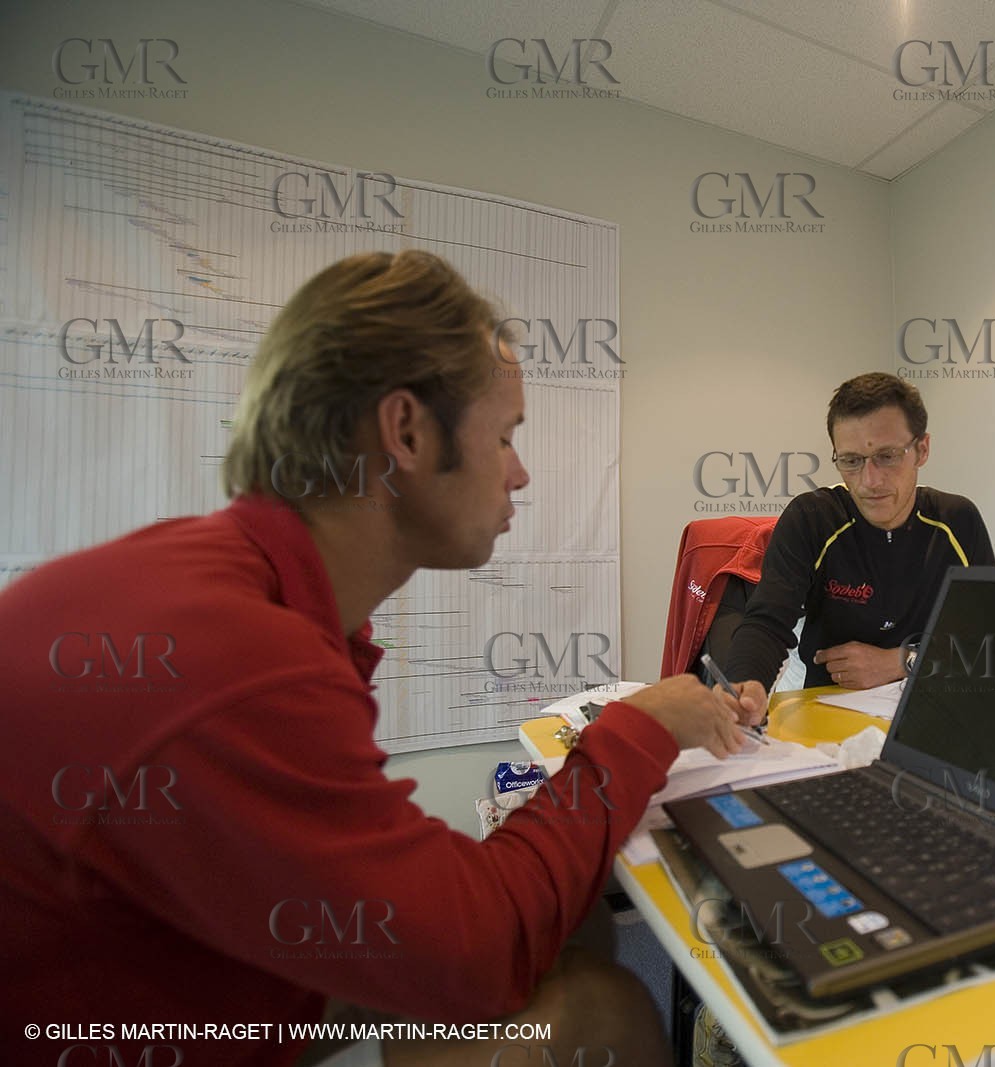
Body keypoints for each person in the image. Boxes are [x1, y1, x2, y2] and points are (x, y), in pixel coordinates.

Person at [0, 250, 766, 1067]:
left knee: (569, 915)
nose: (521, 470)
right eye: (504, 435)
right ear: (405, 430)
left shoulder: (221, 582)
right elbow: (480, 950)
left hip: (157, 983)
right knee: (594, 1011)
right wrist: (635, 729)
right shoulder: (240, 658)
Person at [722, 372, 995, 693]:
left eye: (887, 456)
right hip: (828, 703)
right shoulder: (812, 518)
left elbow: (990, 643)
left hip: (929, 700)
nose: (870, 480)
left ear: (922, 450)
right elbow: (766, 623)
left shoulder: (957, 521)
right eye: (851, 460)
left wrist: (898, 661)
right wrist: (743, 687)